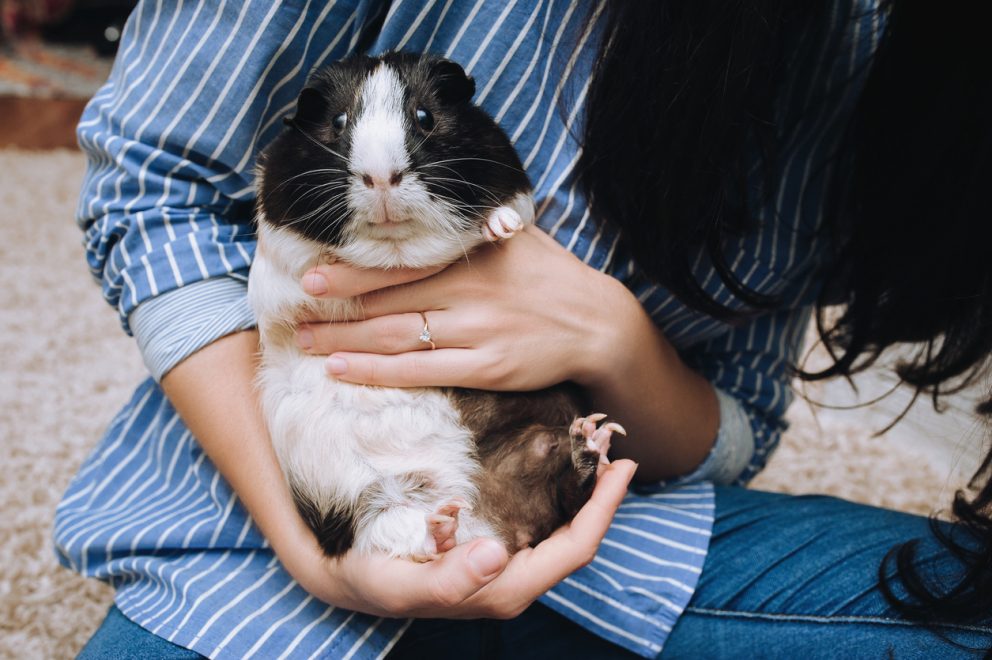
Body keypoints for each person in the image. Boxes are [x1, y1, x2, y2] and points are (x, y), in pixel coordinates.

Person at [57, 1, 992, 658]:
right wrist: (322, 553)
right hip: (266, 545)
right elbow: (153, 189)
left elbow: (736, 421)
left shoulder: (873, 44)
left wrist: (612, 337)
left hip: (610, 544)